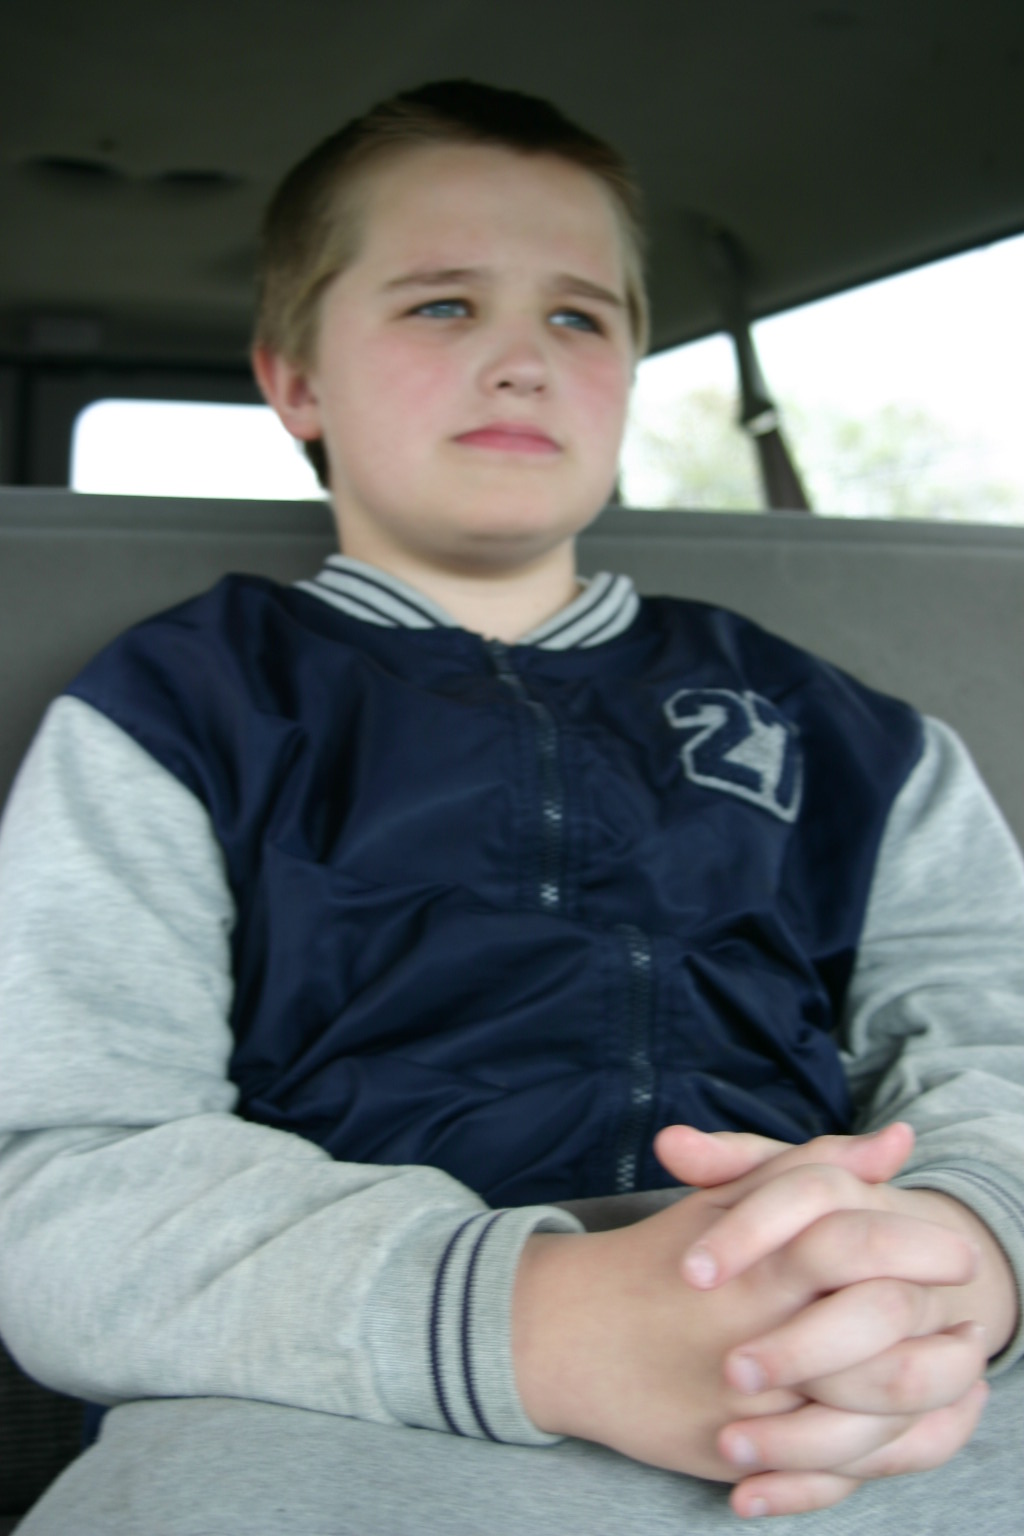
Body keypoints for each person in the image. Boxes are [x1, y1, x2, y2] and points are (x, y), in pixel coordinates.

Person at [0, 79, 1022, 1535]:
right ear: (296, 382)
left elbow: (996, 1055)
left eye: (579, 318)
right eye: (441, 305)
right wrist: (534, 1317)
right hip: (336, 1382)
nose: (525, 361)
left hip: (862, 1363)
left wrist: (967, 1250)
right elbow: (66, 1180)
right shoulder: (180, 708)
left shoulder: (848, 735)